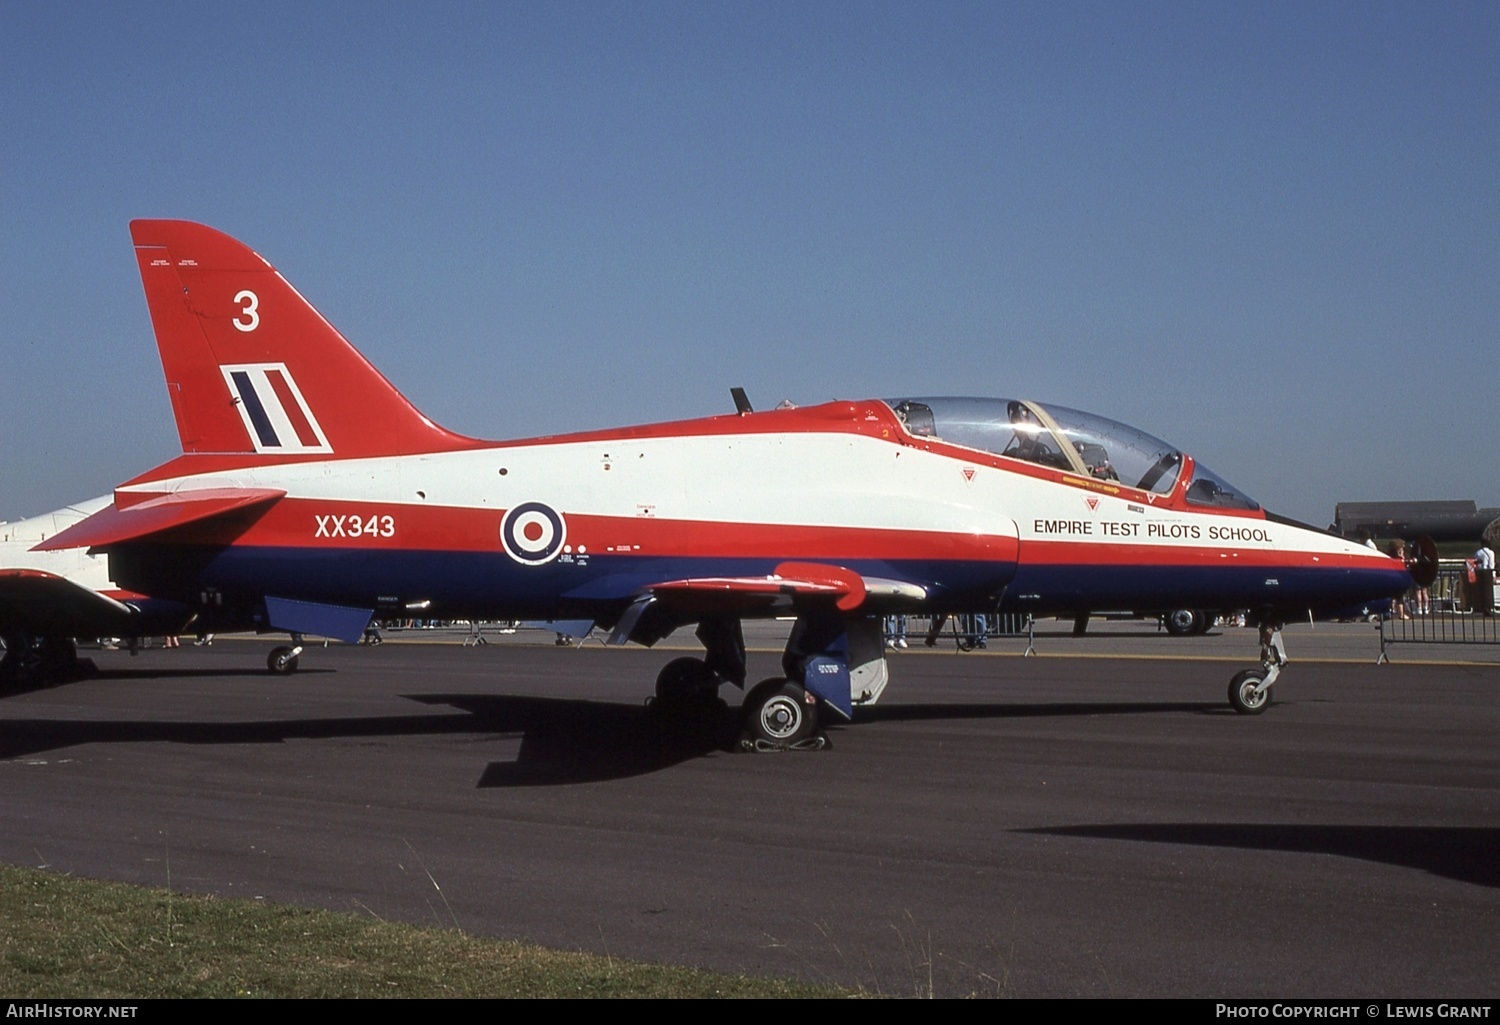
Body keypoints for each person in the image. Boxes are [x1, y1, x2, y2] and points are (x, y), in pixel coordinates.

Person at [1474, 543, 1496, 615]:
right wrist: (1493, 575)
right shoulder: (1491, 553)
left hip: (1479, 572)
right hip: (1488, 572)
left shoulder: (1478, 552)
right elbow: (1491, 564)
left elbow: (1476, 563)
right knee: (1488, 591)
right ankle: (1488, 608)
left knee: (1480, 589)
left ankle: (1480, 607)